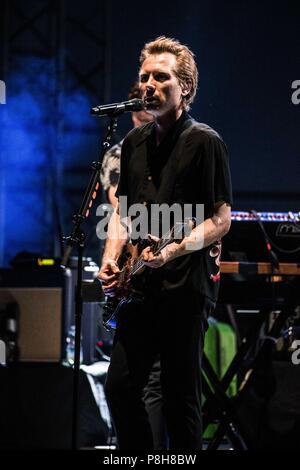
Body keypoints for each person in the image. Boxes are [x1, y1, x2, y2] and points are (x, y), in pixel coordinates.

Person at [98, 36, 232, 450]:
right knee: (120, 387)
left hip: (184, 288)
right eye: (144, 78)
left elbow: (220, 220)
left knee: (179, 398)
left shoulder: (205, 142)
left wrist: (174, 249)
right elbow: (122, 211)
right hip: (138, 286)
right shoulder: (133, 144)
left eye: (161, 77)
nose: (149, 86)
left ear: (185, 88)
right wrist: (110, 257)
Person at [100, 83, 168, 450]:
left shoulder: (190, 145)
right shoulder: (121, 152)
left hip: (161, 265)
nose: (145, 119)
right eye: (139, 115)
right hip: (127, 261)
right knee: (123, 381)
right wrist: (113, 261)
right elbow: (119, 203)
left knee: (154, 381)